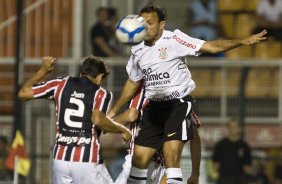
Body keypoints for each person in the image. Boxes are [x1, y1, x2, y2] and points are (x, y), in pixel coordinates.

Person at [108, 4, 266, 184]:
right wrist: (113, 111)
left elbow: (211, 47)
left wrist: (241, 41)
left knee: (170, 157)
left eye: (150, 23)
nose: (145, 27)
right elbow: (133, 81)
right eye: (142, 23)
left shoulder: (174, 39)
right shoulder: (137, 48)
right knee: (140, 158)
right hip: (154, 106)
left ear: (162, 24)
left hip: (178, 103)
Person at [18, 56, 132, 184]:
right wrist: (123, 129)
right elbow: (98, 120)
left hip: (60, 160)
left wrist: (43, 71)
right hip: (86, 158)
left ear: (81, 73)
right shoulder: (101, 93)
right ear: (100, 77)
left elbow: (23, 93)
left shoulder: (60, 84)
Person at [113, 80, 202, 184]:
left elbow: (131, 115)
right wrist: (195, 173)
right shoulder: (179, 98)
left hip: (139, 162)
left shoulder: (142, 89)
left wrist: (105, 124)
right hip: (160, 167)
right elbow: (195, 137)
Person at [212, 118, 253, 184]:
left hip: (239, 179)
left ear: (239, 128)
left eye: (235, 126)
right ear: (228, 128)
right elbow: (216, 163)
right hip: (224, 178)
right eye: (231, 127)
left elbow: (247, 165)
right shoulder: (220, 145)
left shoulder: (244, 146)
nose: (233, 129)